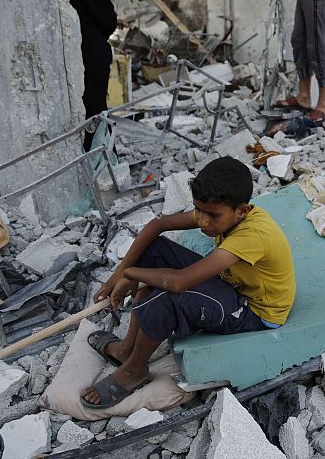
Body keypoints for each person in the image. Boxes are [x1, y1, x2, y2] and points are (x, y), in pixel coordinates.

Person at [80, 157, 296, 409]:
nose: (202, 221)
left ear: (243, 211)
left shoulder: (252, 234)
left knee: (168, 297)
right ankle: (127, 348)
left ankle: (134, 370)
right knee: (154, 250)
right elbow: (157, 225)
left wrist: (131, 274)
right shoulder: (221, 211)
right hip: (234, 287)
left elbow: (179, 284)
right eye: (198, 210)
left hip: (254, 313)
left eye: (212, 216)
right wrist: (120, 272)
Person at [68, 0, 117, 150]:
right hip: (93, 56)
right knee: (97, 110)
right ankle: (101, 156)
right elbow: (108, 20)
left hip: (74, 57)